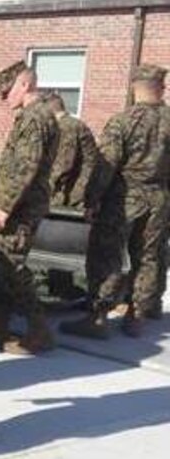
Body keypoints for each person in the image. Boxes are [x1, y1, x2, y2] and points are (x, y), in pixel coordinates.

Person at [60, 64, 169, 339]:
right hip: (159, 198)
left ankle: (98, 317)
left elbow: (105, 165)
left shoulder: (123, 121)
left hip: (124, 199)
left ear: (134, 87)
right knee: (148, 256)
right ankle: (137, 315)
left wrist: (91, 199)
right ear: (162, 88)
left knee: (106, 255)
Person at [0, 60, 59, 355]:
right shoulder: (30, 117)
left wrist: (4, 207)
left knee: (12, 268)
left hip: (20, 210)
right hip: (14, 206)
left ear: (25, 84)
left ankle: (40, 331)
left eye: (7, 92)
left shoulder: (35, 118)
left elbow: (26, 166)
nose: (4, 98)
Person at [45, 92, 100, 212]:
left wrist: (45, 190)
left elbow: (64, 164)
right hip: (79, 187)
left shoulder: (66, 127)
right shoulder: (71, 124)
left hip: (76, 193)